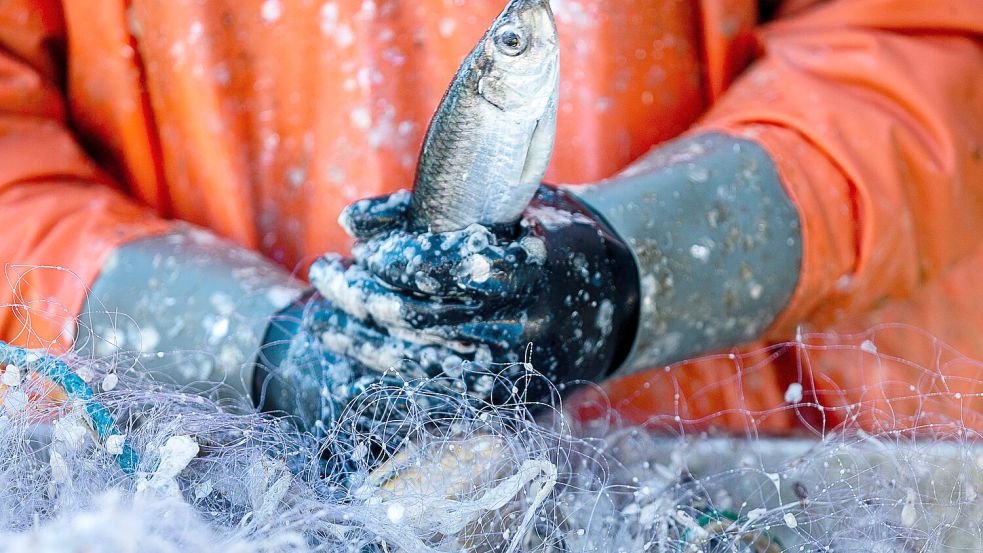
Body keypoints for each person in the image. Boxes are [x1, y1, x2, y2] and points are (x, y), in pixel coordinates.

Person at [0, 0, 981, 441]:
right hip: (207, 483)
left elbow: (917, 53)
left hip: (770, 468)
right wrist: (259, 346)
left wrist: (632, 268)